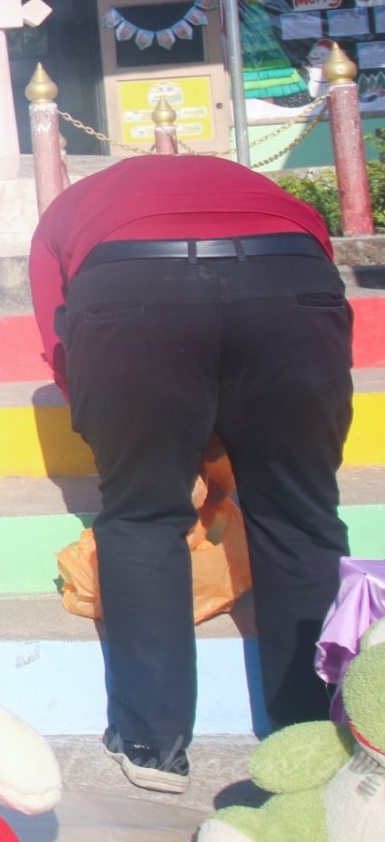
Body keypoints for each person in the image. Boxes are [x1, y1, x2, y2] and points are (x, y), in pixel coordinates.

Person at [28, 152, 352, 793]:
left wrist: (125, 435)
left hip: (131, 292)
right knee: (300, 515)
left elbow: (61, 345)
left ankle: (152, 745)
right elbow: (324, 294)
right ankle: (311, 734)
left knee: (143, 516)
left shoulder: (69, 211)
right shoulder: (262, 190)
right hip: (291, 282)